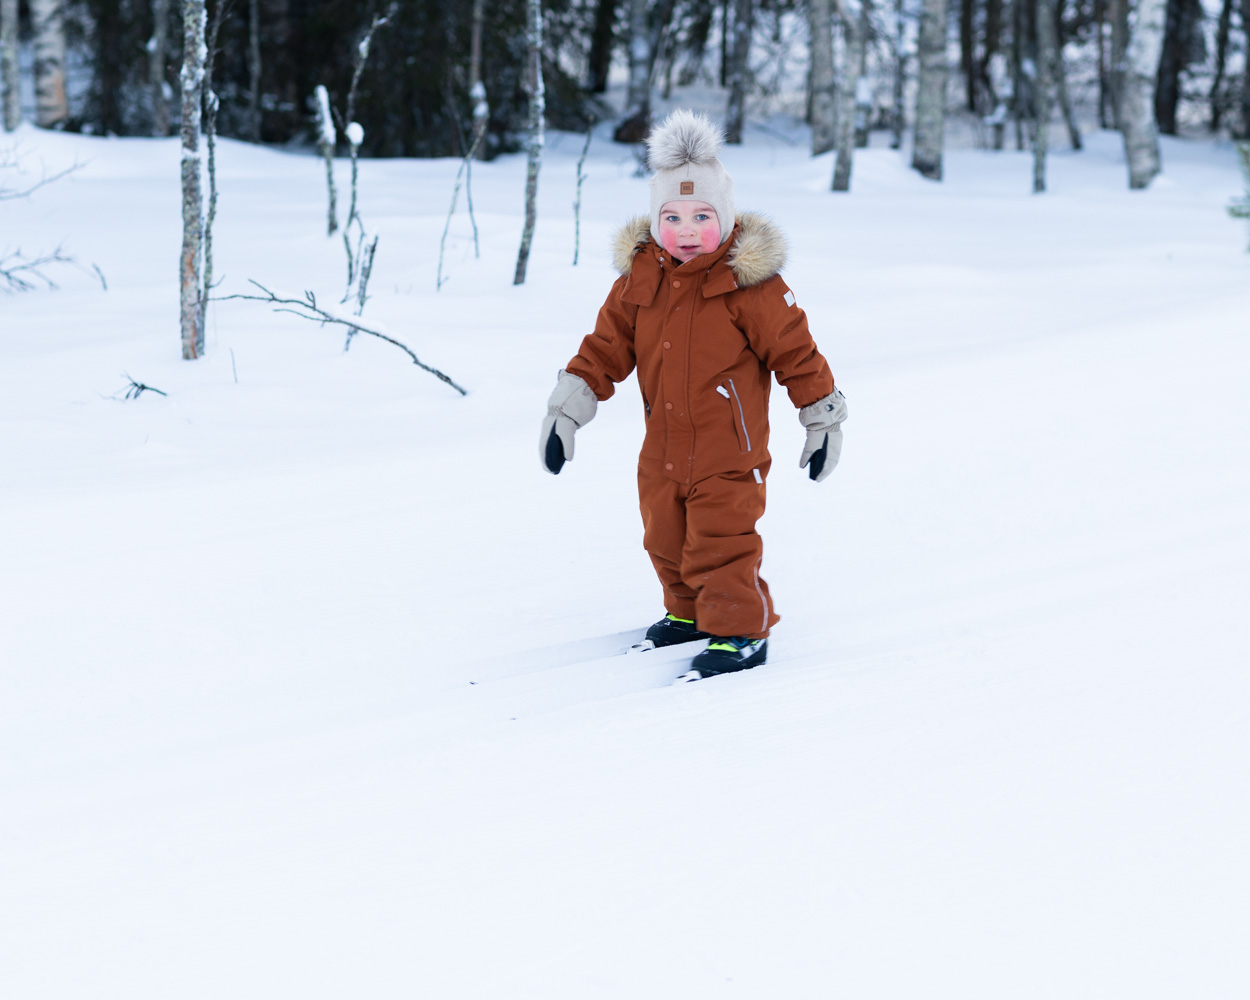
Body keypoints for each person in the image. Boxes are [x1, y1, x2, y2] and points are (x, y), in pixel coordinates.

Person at [540, 109, 847, 680]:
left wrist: (822, 418)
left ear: (725, 219)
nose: (687, 230)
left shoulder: (748, 285)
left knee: (722, 541)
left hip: (729, 451)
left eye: (702, 215)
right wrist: (567, 410)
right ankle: (686, 613)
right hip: (663, 446)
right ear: (655, 221)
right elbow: (605, 348)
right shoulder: (639, 281)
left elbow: (796, 353)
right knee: (664, 533)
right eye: (673, 216)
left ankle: (738, 630)